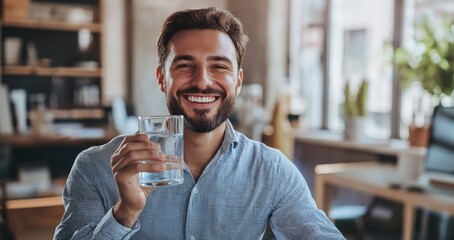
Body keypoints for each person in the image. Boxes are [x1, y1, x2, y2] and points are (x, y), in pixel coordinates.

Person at [54, 7, 344, 239]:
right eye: (185, 65)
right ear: (161, 79)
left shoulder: (273, 171)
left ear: (238, 81)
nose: (202, 81)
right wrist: (125, 212)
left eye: (219, 66)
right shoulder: (94, 167)